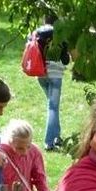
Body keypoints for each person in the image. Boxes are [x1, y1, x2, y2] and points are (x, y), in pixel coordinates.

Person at [34, 14, 71, 151]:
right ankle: (49, 142)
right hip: (55, 75)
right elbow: (65, 60)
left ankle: (57, 136)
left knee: (52, 107)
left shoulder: (36, 33)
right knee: (53, 108)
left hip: (40, 73)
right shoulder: (59, 35)